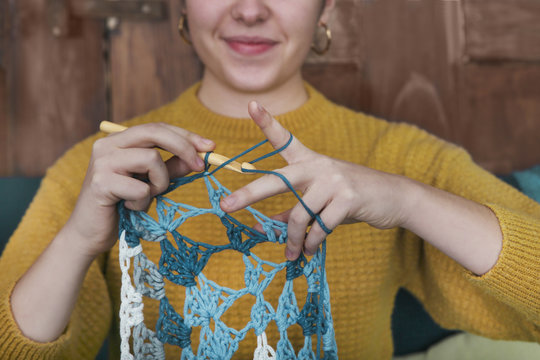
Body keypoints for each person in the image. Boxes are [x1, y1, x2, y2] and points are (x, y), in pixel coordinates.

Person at [1, 0, 539, 359]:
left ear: (326, 6)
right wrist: (77, 241)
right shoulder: (99, 168)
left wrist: (406, 200)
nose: (251, 10)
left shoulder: (400, 156)